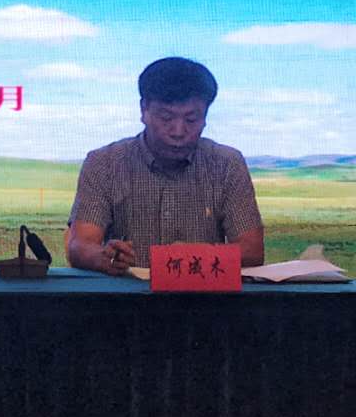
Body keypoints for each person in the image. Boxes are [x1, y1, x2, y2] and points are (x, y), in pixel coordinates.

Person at [66, 57, 263, 274]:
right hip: (126, 291)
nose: (178, 131)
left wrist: (195, 255)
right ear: (144, 110)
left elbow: (252, 252)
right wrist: (103, 257)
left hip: (203, 293)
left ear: (206, 116)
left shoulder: (226, 164)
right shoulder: (104, 163)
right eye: (166, 118)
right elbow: (80, 245)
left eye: (191, 120)